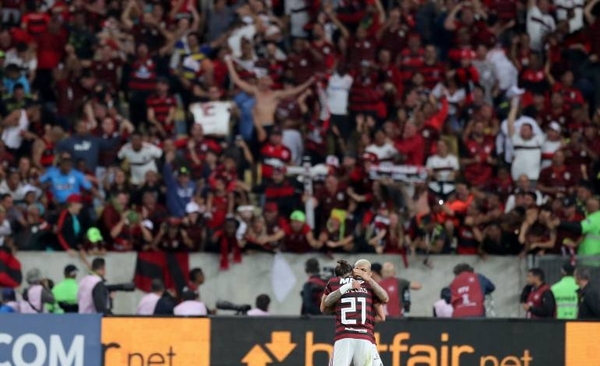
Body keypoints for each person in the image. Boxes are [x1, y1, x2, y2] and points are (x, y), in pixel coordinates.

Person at [322, 259, 388, 366]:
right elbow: (383, 309)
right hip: (361, 336)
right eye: (357, 268)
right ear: (353, 270)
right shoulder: (370, 286)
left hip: (353, 336)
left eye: (363, 270)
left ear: (369, 273)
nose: (360, 271)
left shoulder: (335, 282)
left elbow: (324, 306)